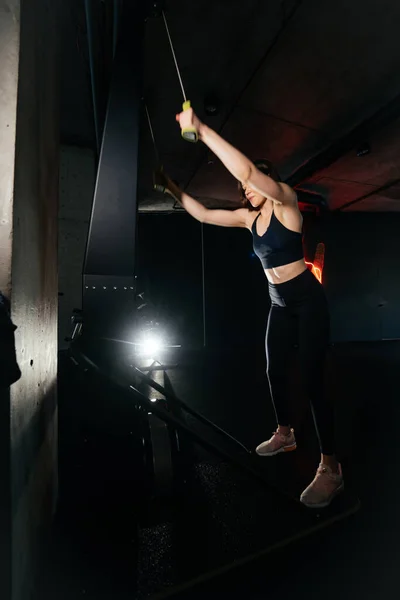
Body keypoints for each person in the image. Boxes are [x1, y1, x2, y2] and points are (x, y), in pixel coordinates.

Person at [154, 107, 344, 508]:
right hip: (279, 303)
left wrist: (202, 130)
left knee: (312, 382)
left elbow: (250, 174)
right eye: (244, 187)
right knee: (275, 370)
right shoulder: (248, 218)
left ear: (269, 181)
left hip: (308, 301)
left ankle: (331, 468)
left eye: (252, 182)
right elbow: (204, 213)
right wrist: (171, 187)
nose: (245, 189)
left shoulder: (286, 203)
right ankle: (286, 434)